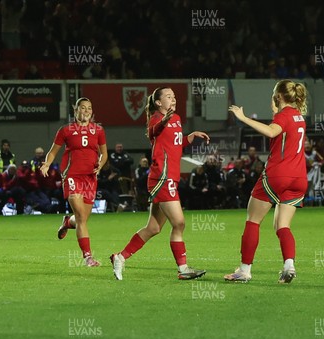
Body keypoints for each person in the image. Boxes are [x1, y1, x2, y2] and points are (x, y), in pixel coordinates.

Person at [109, 87, 210, 280]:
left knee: (153, 228)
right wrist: (163, 121)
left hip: (170, 177)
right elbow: (154, 130)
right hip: (162, 178)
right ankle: (183, 269)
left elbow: (175, 145)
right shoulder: (156, 118)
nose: (173, 99)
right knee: (179, 223)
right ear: (158, 103)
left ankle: (120, 257)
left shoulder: (177, 119)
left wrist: (191, 136)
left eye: (174, 96)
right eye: (168, 97)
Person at [224, 80, 308, 283]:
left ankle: (244, 271)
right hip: (299, 178)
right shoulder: (299, 117)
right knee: (282, 225)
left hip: (278, 175)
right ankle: (289, 266)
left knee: (253, 221)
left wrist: (243, 118)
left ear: (279, 96)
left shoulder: (284, 115)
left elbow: (272, 131)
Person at [40, 97, 108, 267]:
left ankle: (67, 222)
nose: (86, 111)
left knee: (82, 218)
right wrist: (47, 164)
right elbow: (53, 151)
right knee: (80, 216)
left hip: (90, 178)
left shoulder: (98, 130)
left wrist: (100, 165)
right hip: (72, 176)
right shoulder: (65, 130)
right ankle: (88, 257)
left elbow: (104, 153)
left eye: (89, 108)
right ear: (76, 110)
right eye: (82, 108)